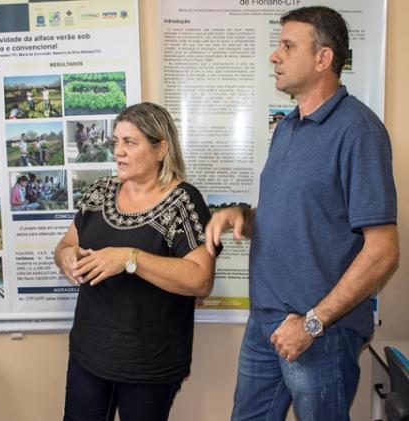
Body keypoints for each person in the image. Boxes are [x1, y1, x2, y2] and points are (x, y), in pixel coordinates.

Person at [205, 7, 398, 421]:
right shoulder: (288, 128)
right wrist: (239, 215)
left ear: (323, 58)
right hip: (265, 325)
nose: (274, 56)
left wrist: (312, 324)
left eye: (287, 46)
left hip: (319, 334)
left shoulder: (359, 132)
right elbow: (290, 216)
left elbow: (383, 251)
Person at [54, 102, 219, 421]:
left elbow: (201, 280)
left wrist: (131, 259)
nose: (119, 151)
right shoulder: (99, 192)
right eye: (116, 141)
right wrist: (66, 257)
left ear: (161, 149)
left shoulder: (183, 201)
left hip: (149, 365)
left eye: (130, 142)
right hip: (89, 355)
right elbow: (66, 243)